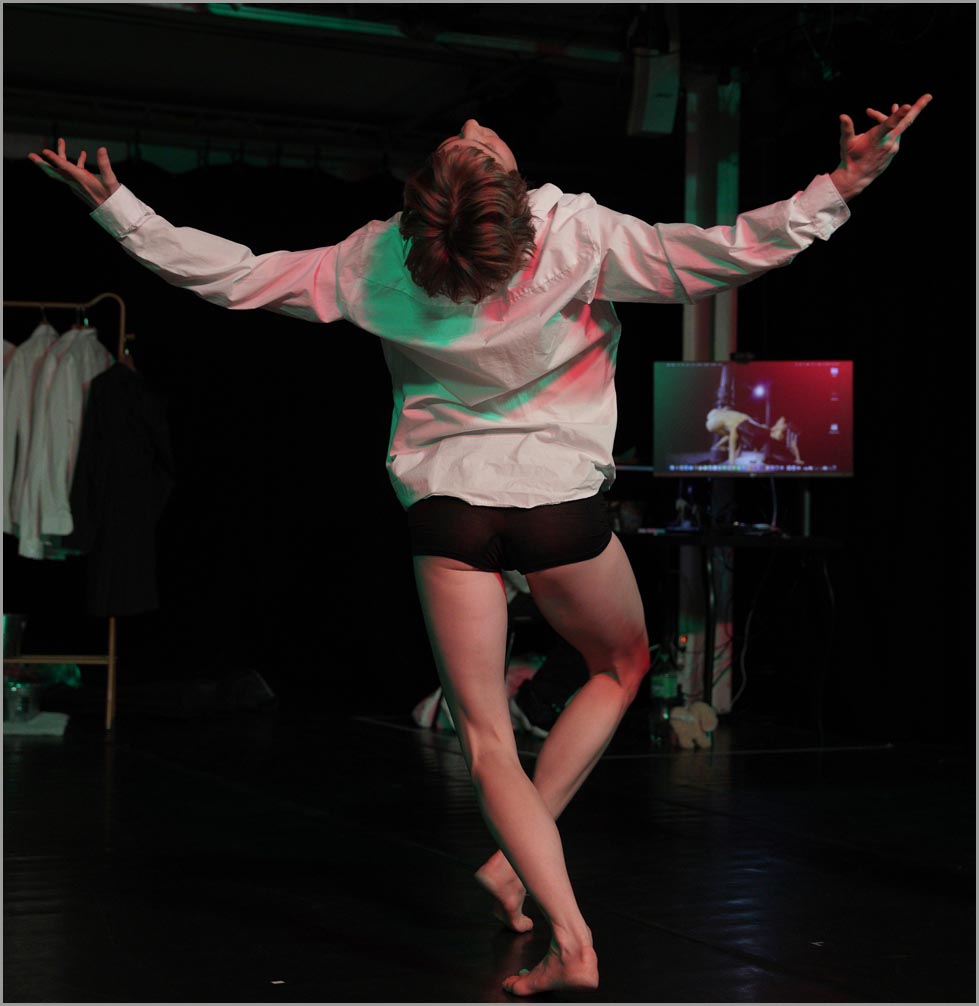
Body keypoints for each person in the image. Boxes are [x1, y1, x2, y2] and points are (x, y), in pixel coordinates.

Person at [30, 93, 932, 995]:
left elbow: (235, 276)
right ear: (507, 194)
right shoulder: (573, 236)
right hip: (557, 508)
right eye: (471, 143)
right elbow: (723, 252)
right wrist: (841, 184)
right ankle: (548, 905)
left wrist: (120, 209)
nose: (469, 127)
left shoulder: (378, 258)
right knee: (621, 666)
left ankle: (541, 900)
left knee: (487, 740)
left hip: (447, 514)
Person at [706, 407, 804, 466]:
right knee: (735, 434)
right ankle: (720, 448)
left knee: (737, 434)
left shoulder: (742, 420)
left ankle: (720, 447)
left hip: (725, 418)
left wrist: (733, 458)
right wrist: (732, 460)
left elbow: (736, 438)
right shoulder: (738, 423)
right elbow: (733, 439)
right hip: (718, 422)